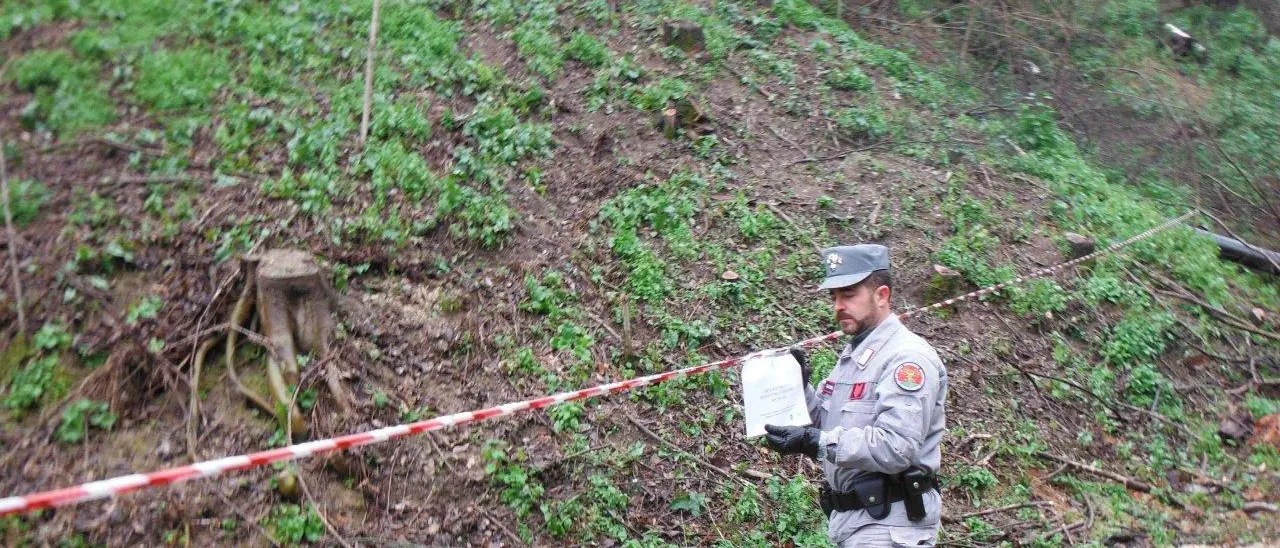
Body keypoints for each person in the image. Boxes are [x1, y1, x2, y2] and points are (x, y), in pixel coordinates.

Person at [763, 244, 948, 547]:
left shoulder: (906, 359)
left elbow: (897, 446)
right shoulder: (855, 357)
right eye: (834, 297)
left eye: (849, 294)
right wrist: (801, 390)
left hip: (890, 524)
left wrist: (816, 443)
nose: (838, 305)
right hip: (858, 522)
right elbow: (827, 422)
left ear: (882, 295)